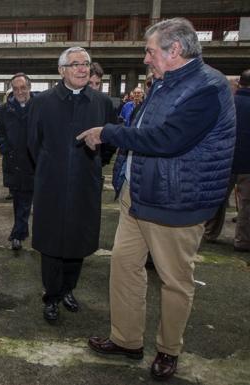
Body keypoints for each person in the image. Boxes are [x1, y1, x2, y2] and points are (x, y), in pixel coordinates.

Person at [77, 18, 236, 381]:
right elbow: (146, 130)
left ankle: (168, 350)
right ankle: (127, 339)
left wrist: (108, 132)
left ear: (174, 50)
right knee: (124, 265)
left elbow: (167, 140)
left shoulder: (207, 89)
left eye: (150, 51)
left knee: (174, 280)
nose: (146, 59)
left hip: (175, 202)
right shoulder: (165, 83)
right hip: (140, 195)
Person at [27, 47, 116, 322]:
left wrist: (91, 166)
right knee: (52, 243)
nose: (82, 69)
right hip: (51, 185)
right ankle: (51, 295)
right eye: (75, 64)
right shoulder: (42, 102)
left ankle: (68, 289)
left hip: (84, 186)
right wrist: (51, 166)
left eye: (86, 64)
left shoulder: (102, 102)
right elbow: (33, 143)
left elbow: (110, 141)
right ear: (61, 70)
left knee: (78, 241)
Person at [0, 73, 35, 251]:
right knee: (19, 199)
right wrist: (5, 149)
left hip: (34, 162)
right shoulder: (5, 109)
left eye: (23, 88)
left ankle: (17, 234)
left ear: (29, 88)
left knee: (27, 199)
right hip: (13, 161)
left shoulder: (39, 106)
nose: (19, 92)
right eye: (16, 88)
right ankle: (21, 232)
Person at [232, 69, 250, 252]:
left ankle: (209, 233)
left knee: (217, 199)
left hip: (226, 159)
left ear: (239, 84)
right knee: (246, 204)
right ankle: (242, 240)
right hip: (248, 163)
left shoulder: (229, 102)